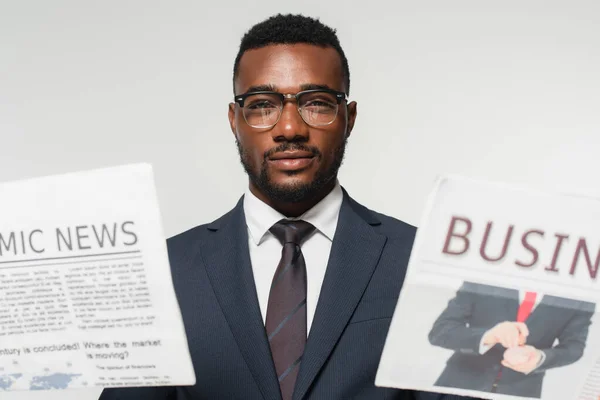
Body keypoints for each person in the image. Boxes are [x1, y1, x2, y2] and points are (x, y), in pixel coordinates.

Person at [100, 14, 474, 400]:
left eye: (317, 103)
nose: (290, 128)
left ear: (349, 118)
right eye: (263, 105)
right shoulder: (164, 271)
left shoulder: (423, 263)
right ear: (235, 120)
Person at [428, 281, 595, 399]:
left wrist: (539, 358)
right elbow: (440, 331)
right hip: (457, 385)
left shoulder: (580, 295)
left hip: (522, 391)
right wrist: (489, 336)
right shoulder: (485, 277)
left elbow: (574, 347)